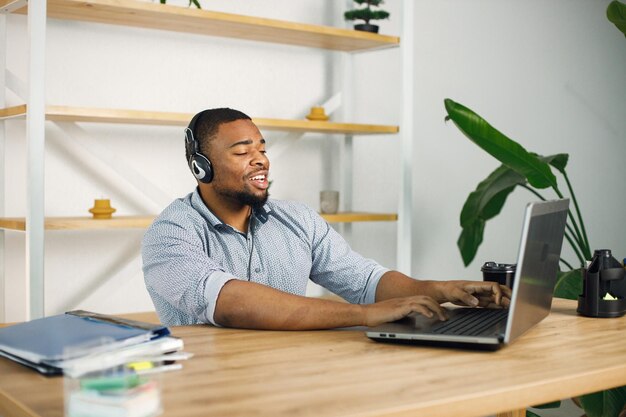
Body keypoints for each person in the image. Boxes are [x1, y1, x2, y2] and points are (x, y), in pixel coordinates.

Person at [142, 108, 511, 329]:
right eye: (242, 151)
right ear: (201, 167)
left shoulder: (297, 219)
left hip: (295, 374)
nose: (261, 160)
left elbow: (365, 280)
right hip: (209, 387)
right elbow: (229, 300)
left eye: (262, 148)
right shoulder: (171, 232)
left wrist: (439, 289)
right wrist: (363, 315)